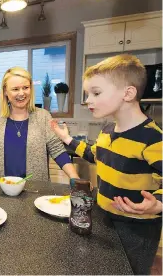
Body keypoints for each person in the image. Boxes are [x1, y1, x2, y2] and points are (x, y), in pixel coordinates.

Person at [50, 54, 162, 275]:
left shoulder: (152, 138)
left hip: (136, 228)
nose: (88, 100)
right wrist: (67, 140)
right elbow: (94, 155)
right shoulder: (108, 131)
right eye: (87, 94)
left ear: (128, 93)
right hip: (104, 216)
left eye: (96, 93)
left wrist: (158, 204)